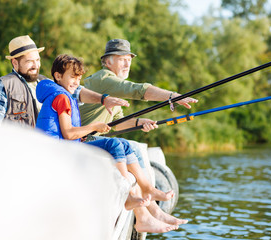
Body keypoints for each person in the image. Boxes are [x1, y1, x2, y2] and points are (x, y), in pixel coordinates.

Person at [35, 54, 179, 233]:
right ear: (58, 76)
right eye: (72, 77)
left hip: (68, 144)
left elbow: (114, 123)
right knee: (115, 145)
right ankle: (127, 194)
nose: (76, 82)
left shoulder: (64, 94)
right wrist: (93, 126)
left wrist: (139, 122)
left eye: (78, 78)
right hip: (62, 148)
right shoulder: (62, 97)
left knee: (124, 145)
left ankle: (147, 188)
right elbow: (69, 133)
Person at [79, 39, 195, 226]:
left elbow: (118, 123)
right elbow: (138, 90)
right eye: (122, 59)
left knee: (134, 147)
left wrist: (140, 123)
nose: (127, 64)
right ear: (107, 62)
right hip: (84, 138)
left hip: (94, 137)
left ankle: (153, 213)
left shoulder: (110, 86)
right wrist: (172, 96)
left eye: (129, 59)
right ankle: (147, 211)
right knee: (128, 146)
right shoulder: (104, 79)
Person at [0, 35, 128, 126]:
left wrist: (103, 99)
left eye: (37, 60)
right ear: (15, 63)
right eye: (30, 62)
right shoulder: (5, 85)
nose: (36, 66)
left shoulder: (45, 82)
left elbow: (77, 92)